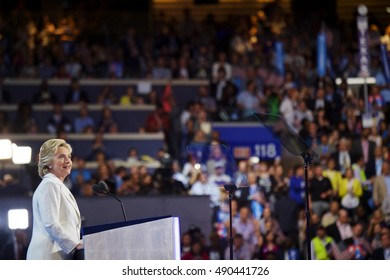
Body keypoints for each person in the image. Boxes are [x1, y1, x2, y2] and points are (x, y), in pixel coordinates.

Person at [26, 139, 83, 260]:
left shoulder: (58, 185)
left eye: (69, 156)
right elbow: (50, 223)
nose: (68, 161)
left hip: (58, 255)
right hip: (48, 256)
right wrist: (75, 245)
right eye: (61, 157)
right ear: (48, 163)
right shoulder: (49, 185)